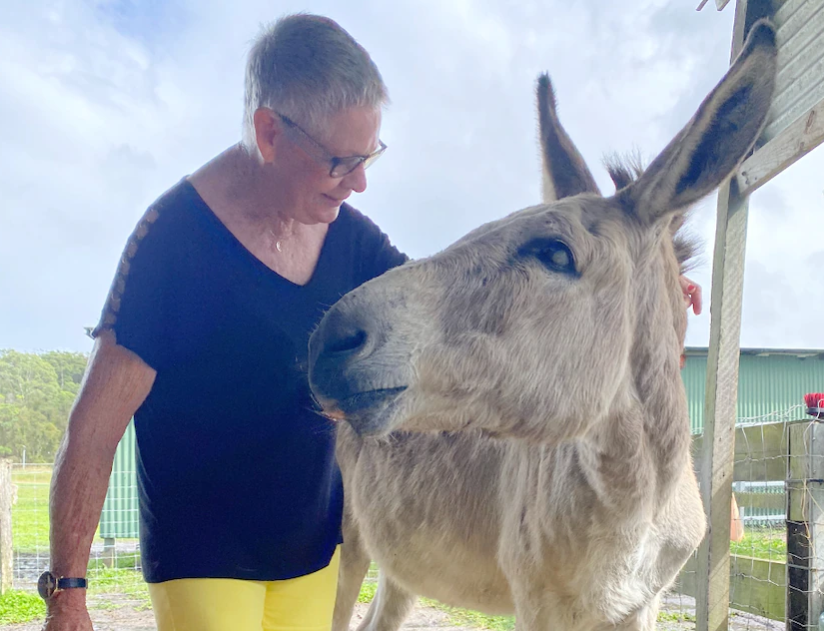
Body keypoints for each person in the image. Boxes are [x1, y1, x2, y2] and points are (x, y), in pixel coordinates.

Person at [41, 13, 705, 631]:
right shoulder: (172, 241)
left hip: (307, 551)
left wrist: (641, 287)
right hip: (203, 552)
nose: (358, 182)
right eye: (340, 161)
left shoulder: (350, 241)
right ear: (269, 132)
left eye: (369, 157)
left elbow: (459, 304)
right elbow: (93, 430)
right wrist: (68, 587)